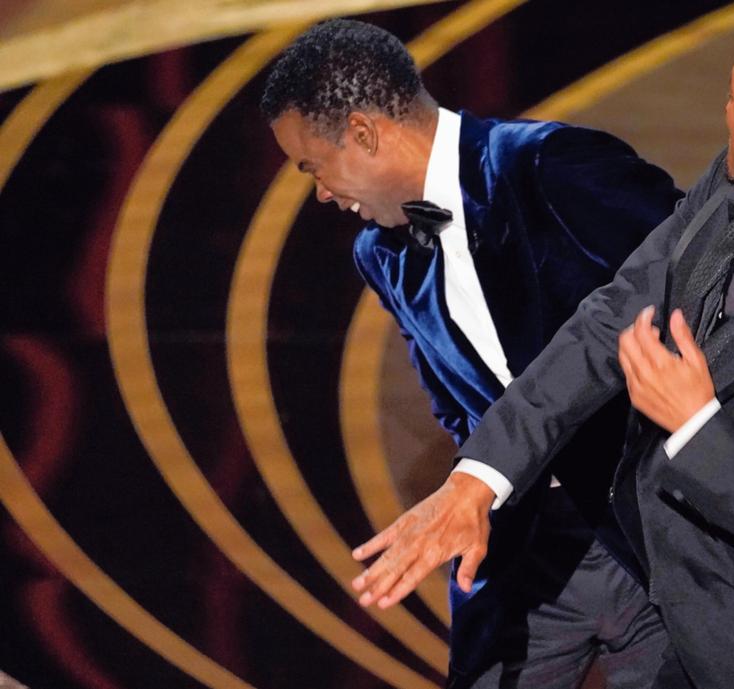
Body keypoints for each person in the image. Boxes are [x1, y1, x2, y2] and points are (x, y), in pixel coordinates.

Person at [349, 19, 734, 689]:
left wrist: (698, 426)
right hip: (693, 616)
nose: (724, 110)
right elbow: (608, 320)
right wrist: (481, 476)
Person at [261, 19, 683, 689]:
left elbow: (708, 291)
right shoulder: (380, 254)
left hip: (657, 539)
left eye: (313, 167)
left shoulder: (551, 166)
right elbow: (455, 401)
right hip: (522, 550)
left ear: (365, 135)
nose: (319, 192)